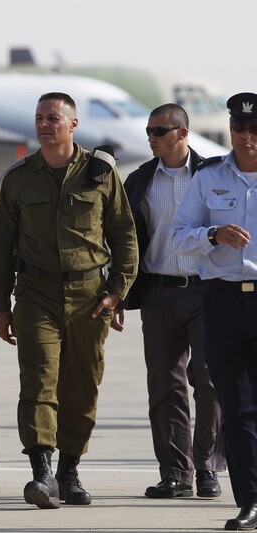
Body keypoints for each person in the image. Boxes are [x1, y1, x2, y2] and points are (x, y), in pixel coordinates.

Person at [0, 92, 138, 509]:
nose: (44, 124)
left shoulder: (100, 173)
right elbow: (0, 248)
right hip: (36, 292)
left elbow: (124, 234)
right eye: (39, 118)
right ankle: (42, 472)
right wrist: (1, 305)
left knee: (82, 385)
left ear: (73, 124)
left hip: (90, 295)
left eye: (53, 118)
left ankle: (69, 471)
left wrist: (117, 291)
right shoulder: (18, 177)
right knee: (38, 381)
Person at [116, 103, 224, 500]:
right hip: (159, 293)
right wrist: (119, 292)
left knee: (208, 379)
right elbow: (125, 241)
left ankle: (207, 466)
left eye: (159, 131)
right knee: (164, 387)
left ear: (182, 132)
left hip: (208, 290)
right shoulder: (140, 179)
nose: (152, 137)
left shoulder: (213, 175)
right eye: (149, 131)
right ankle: (176, 473)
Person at [171, 92, 257, 531]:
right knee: (237, 407)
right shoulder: (208, 177)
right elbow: (178, 236)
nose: (246, 137)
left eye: (254, 130)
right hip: (223, 301)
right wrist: (213, 235)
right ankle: (250, 501)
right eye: (239, 129)